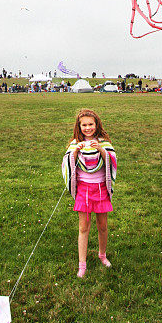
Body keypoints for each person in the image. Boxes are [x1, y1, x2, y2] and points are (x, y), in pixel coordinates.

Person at [62, 109, 117, 278]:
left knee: (103, 226)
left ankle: (102, 255)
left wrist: (100, 149)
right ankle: (82, 264)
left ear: (96, 125)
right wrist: (75, 152)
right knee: (83, 227)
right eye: (84, 125)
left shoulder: (103, 142)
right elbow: (68, 162)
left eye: (90, 124)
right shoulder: (74, 143)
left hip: (100, 189)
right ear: (79, 126)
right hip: (84, 190)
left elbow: (112, 159)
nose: (87, 128)